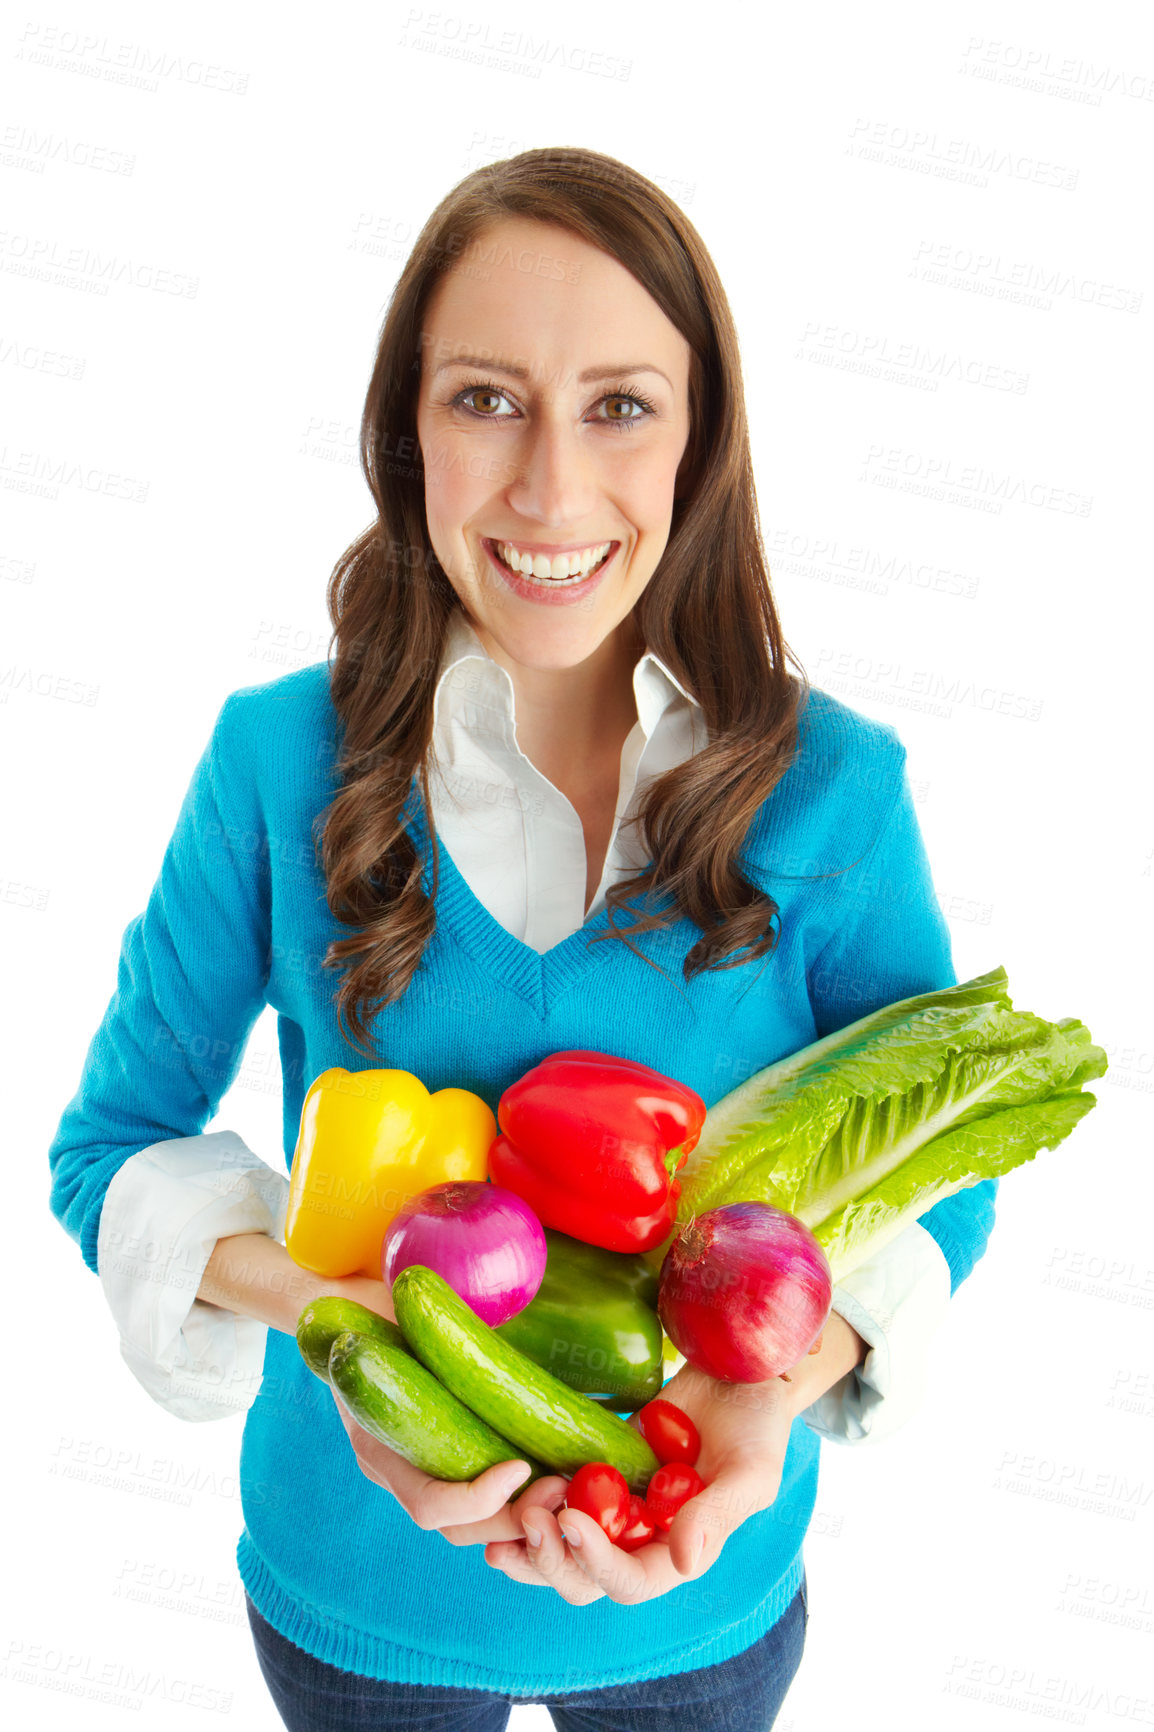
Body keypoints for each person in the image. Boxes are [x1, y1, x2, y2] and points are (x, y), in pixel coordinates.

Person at [47, 147, 998, 1732]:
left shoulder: (835, 791)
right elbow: (115, 1143)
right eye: (484, 399)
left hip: (696, 1582)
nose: (549, 490)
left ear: (699, 445)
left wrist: (767, 1385)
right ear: (402, 430)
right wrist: (349, 1337)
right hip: (355, 1594)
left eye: (619, 405)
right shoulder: (278, 763)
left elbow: (944, 1162)